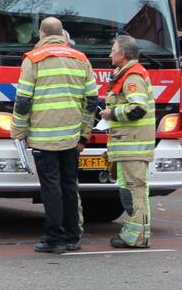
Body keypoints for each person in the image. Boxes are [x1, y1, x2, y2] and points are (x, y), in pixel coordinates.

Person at [10, 17, 98, 254]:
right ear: (62, 33)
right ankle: (72, 236)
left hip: (43, 137)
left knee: (51, 187)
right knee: (69, 185)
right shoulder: (81, 59)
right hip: (70, 137)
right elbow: (92, 101)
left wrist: (18, 131)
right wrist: (84, 134)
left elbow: (23, 101)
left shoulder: (34, 60)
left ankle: (54, 238)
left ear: (41, 34)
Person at [100, 34, 155, 249]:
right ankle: (133, 234)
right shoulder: (126, 75)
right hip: (127, 145)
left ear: (123, 54)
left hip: (133, 146)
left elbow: (138, 108)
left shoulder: (132, 77)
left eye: (112, 50)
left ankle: (137, 236)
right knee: (130, 189)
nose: (110, 53)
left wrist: (112, 113)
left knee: (135, 190)